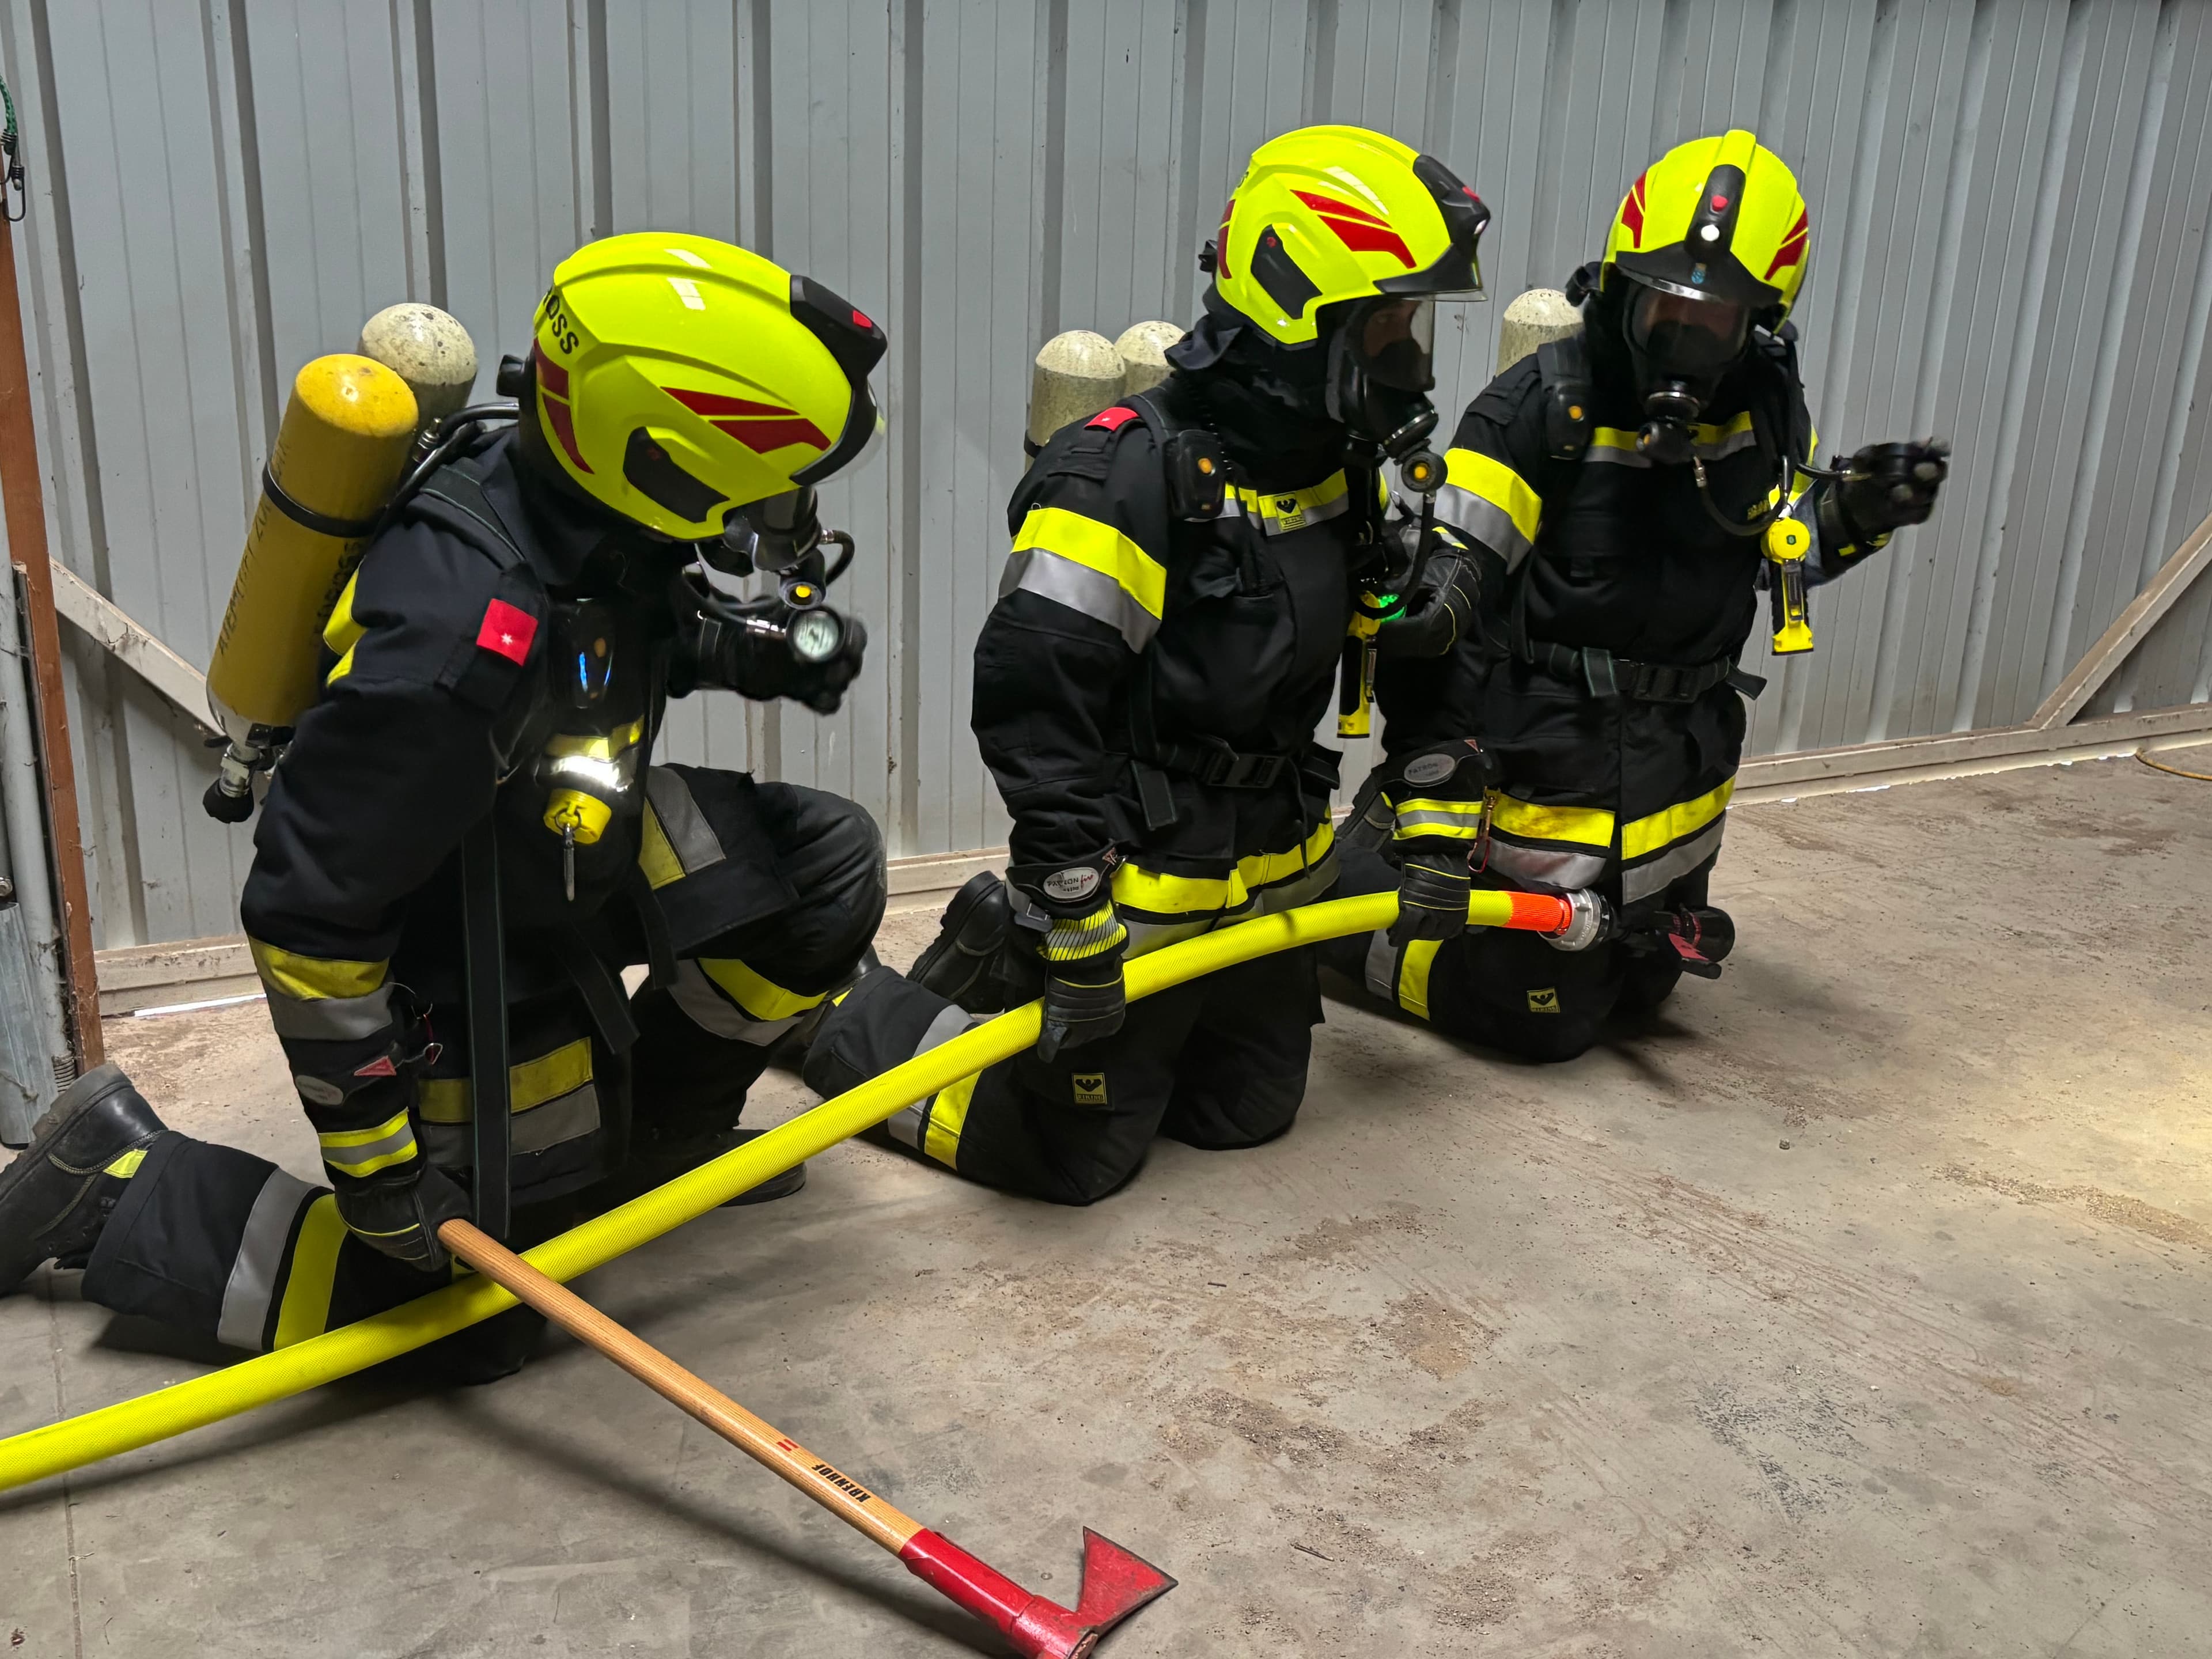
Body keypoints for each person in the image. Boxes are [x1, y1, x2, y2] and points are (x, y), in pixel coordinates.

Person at [0, 234, 889, 1378]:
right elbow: (309, 916)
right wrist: (377, 1170)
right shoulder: (451, 651)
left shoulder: (579, 495)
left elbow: (618, 635)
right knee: (478, 1319)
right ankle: (117, 1185)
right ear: (660, 458)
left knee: (827, 867)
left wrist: (753, 651)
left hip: (567, 833)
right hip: (453, 919)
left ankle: (662, 1138)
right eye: (757, 484)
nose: (775, 512)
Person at [801, 125, 1491, 1205]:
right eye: (1390, 323)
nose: (1409, 355)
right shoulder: (1125, 471)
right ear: (1296, 314)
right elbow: (1035, 708)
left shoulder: (1340, 469)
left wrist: (1441, 793)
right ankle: (848, 1017)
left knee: (1243, 1118)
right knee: (1074, 1161)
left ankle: (1076, 1018)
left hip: (1267, 884)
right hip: (1136, 886)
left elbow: (1400, 632)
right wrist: (1070, 900)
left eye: (1414, 324)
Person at [1324, 130, 1949, 1061]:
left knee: (1646, 988)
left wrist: (1855, 512)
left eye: (1714, 326)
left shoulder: (1764, 409)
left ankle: (1598, 930)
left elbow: (1776, 552)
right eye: (1665, 313)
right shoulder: (1538, 409)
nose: (1683, 347)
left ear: (1759, 327)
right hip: (1551, 768)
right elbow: (1447, 602)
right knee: (1543, 1026)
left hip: (1679, 775)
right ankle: (1343, 912)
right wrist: (1436, 784)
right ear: (1621, 288)